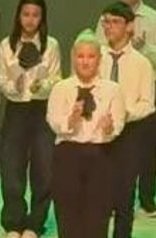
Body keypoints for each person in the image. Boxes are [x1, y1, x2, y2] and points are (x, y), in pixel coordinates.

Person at [95, 0, 156, 219]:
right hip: (112, 86)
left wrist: (142, 48)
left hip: (147, 84)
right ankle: (111, 198)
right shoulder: (106, 17)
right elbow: (97, 48)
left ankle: (147, 199)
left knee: (146, 146)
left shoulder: (154, 18)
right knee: (109, 143)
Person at [47, 31, 126, 238]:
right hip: (68, 155)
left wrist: (109, 128)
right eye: (80, 56)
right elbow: (53, 121)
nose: (85, 61)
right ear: (73, 58)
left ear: (99, 60)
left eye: (90, 56)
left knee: (97, 217)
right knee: (67, 216)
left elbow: (118, 124)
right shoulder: (61, 88)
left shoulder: (113, 90)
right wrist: (71, 120)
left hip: (101, 155)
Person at [0, 0, 62, 238]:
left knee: (44, 168)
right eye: (26, 14)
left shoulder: (51, 45)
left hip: (42, 110)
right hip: (16, 110)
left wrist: (41, 87)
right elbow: (2, 80)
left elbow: (56, 78)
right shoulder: (6, 45)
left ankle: (35, 223)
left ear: (42, 18)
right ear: (18, 16)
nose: (30, 19)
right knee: (11, 167)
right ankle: (13, 222)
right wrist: (15, 86)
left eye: (35, 15)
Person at [98, 1, 156, 238]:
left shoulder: (141, 63)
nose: (109, 27)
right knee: (98, 197)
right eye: (106, 22)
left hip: (129, 135)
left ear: (129, 26)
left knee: (124, 198)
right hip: (98, 133)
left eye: (115, 22)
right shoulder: (96, 56)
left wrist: (124, 114)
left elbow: (148, 103)